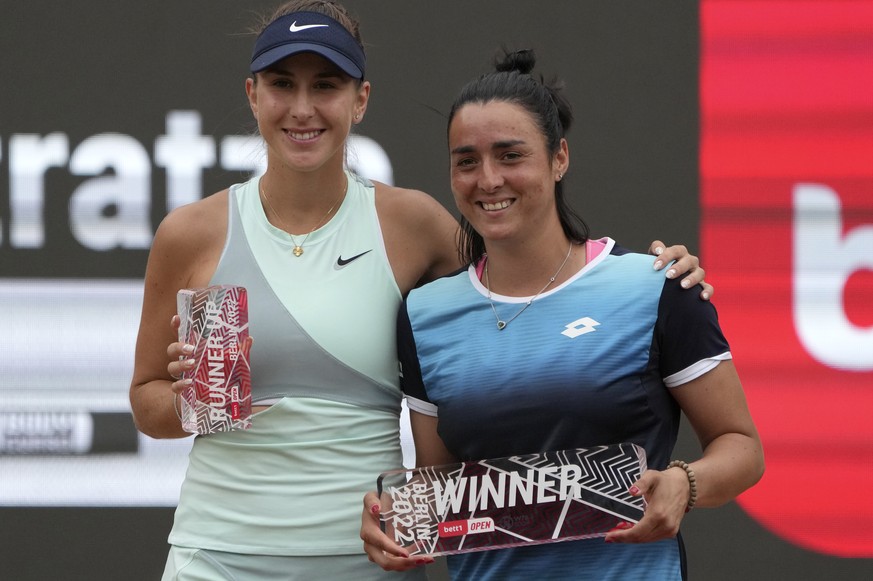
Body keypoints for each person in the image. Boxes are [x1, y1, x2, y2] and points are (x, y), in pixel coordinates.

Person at [128, 2, 711, 579]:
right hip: (217, 557)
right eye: (282, 84)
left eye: (326, 86)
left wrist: (652, 278)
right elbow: (147, 404)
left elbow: (528, 280)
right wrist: (192, 400)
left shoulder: (414, 224)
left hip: (368, 559)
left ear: (360, 100)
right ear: (253, 95)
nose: (302, 108)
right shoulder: (191, 233)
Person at [360, 49, 764, 580]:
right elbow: (442, 486)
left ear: (559, 158)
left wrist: (684, 485)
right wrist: (394, 521)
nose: (488, 180)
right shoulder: (424, 314)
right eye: (466, 161)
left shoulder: (655, 286)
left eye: (510, 156)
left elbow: (742, 448)